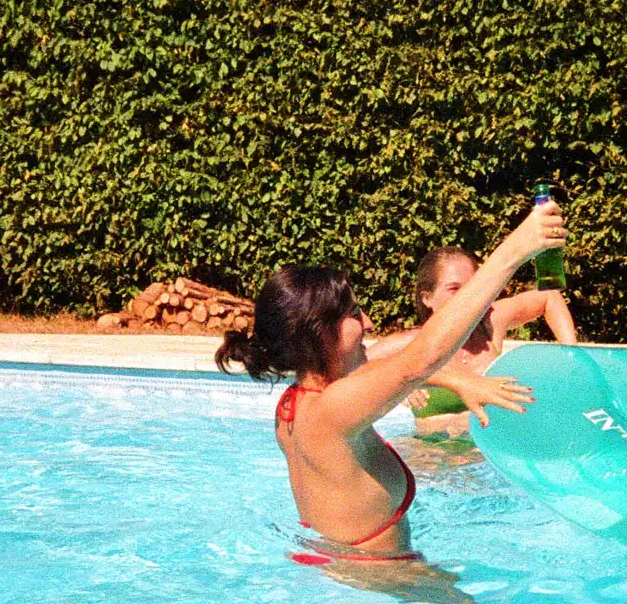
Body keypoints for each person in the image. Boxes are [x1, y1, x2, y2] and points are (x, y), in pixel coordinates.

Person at [215, 201, 565, 565]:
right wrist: (516, 250)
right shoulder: (335, 409)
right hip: (383, 577)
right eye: (353, 314)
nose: (367, 323)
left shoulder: (297, 403)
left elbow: (390, 368)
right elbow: (421, 357)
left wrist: (458, 382)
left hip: (337, 570)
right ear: (318, 335)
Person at [367, 245, 579, 437]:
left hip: (491, 455)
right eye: (454, 288)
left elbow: (549, 298)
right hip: (435, 461)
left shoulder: (490, 324)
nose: (468, 297)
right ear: (427, 298)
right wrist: (401, 379)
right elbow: (344, 372)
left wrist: (574, 358)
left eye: (473, 287)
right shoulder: (412, 344)